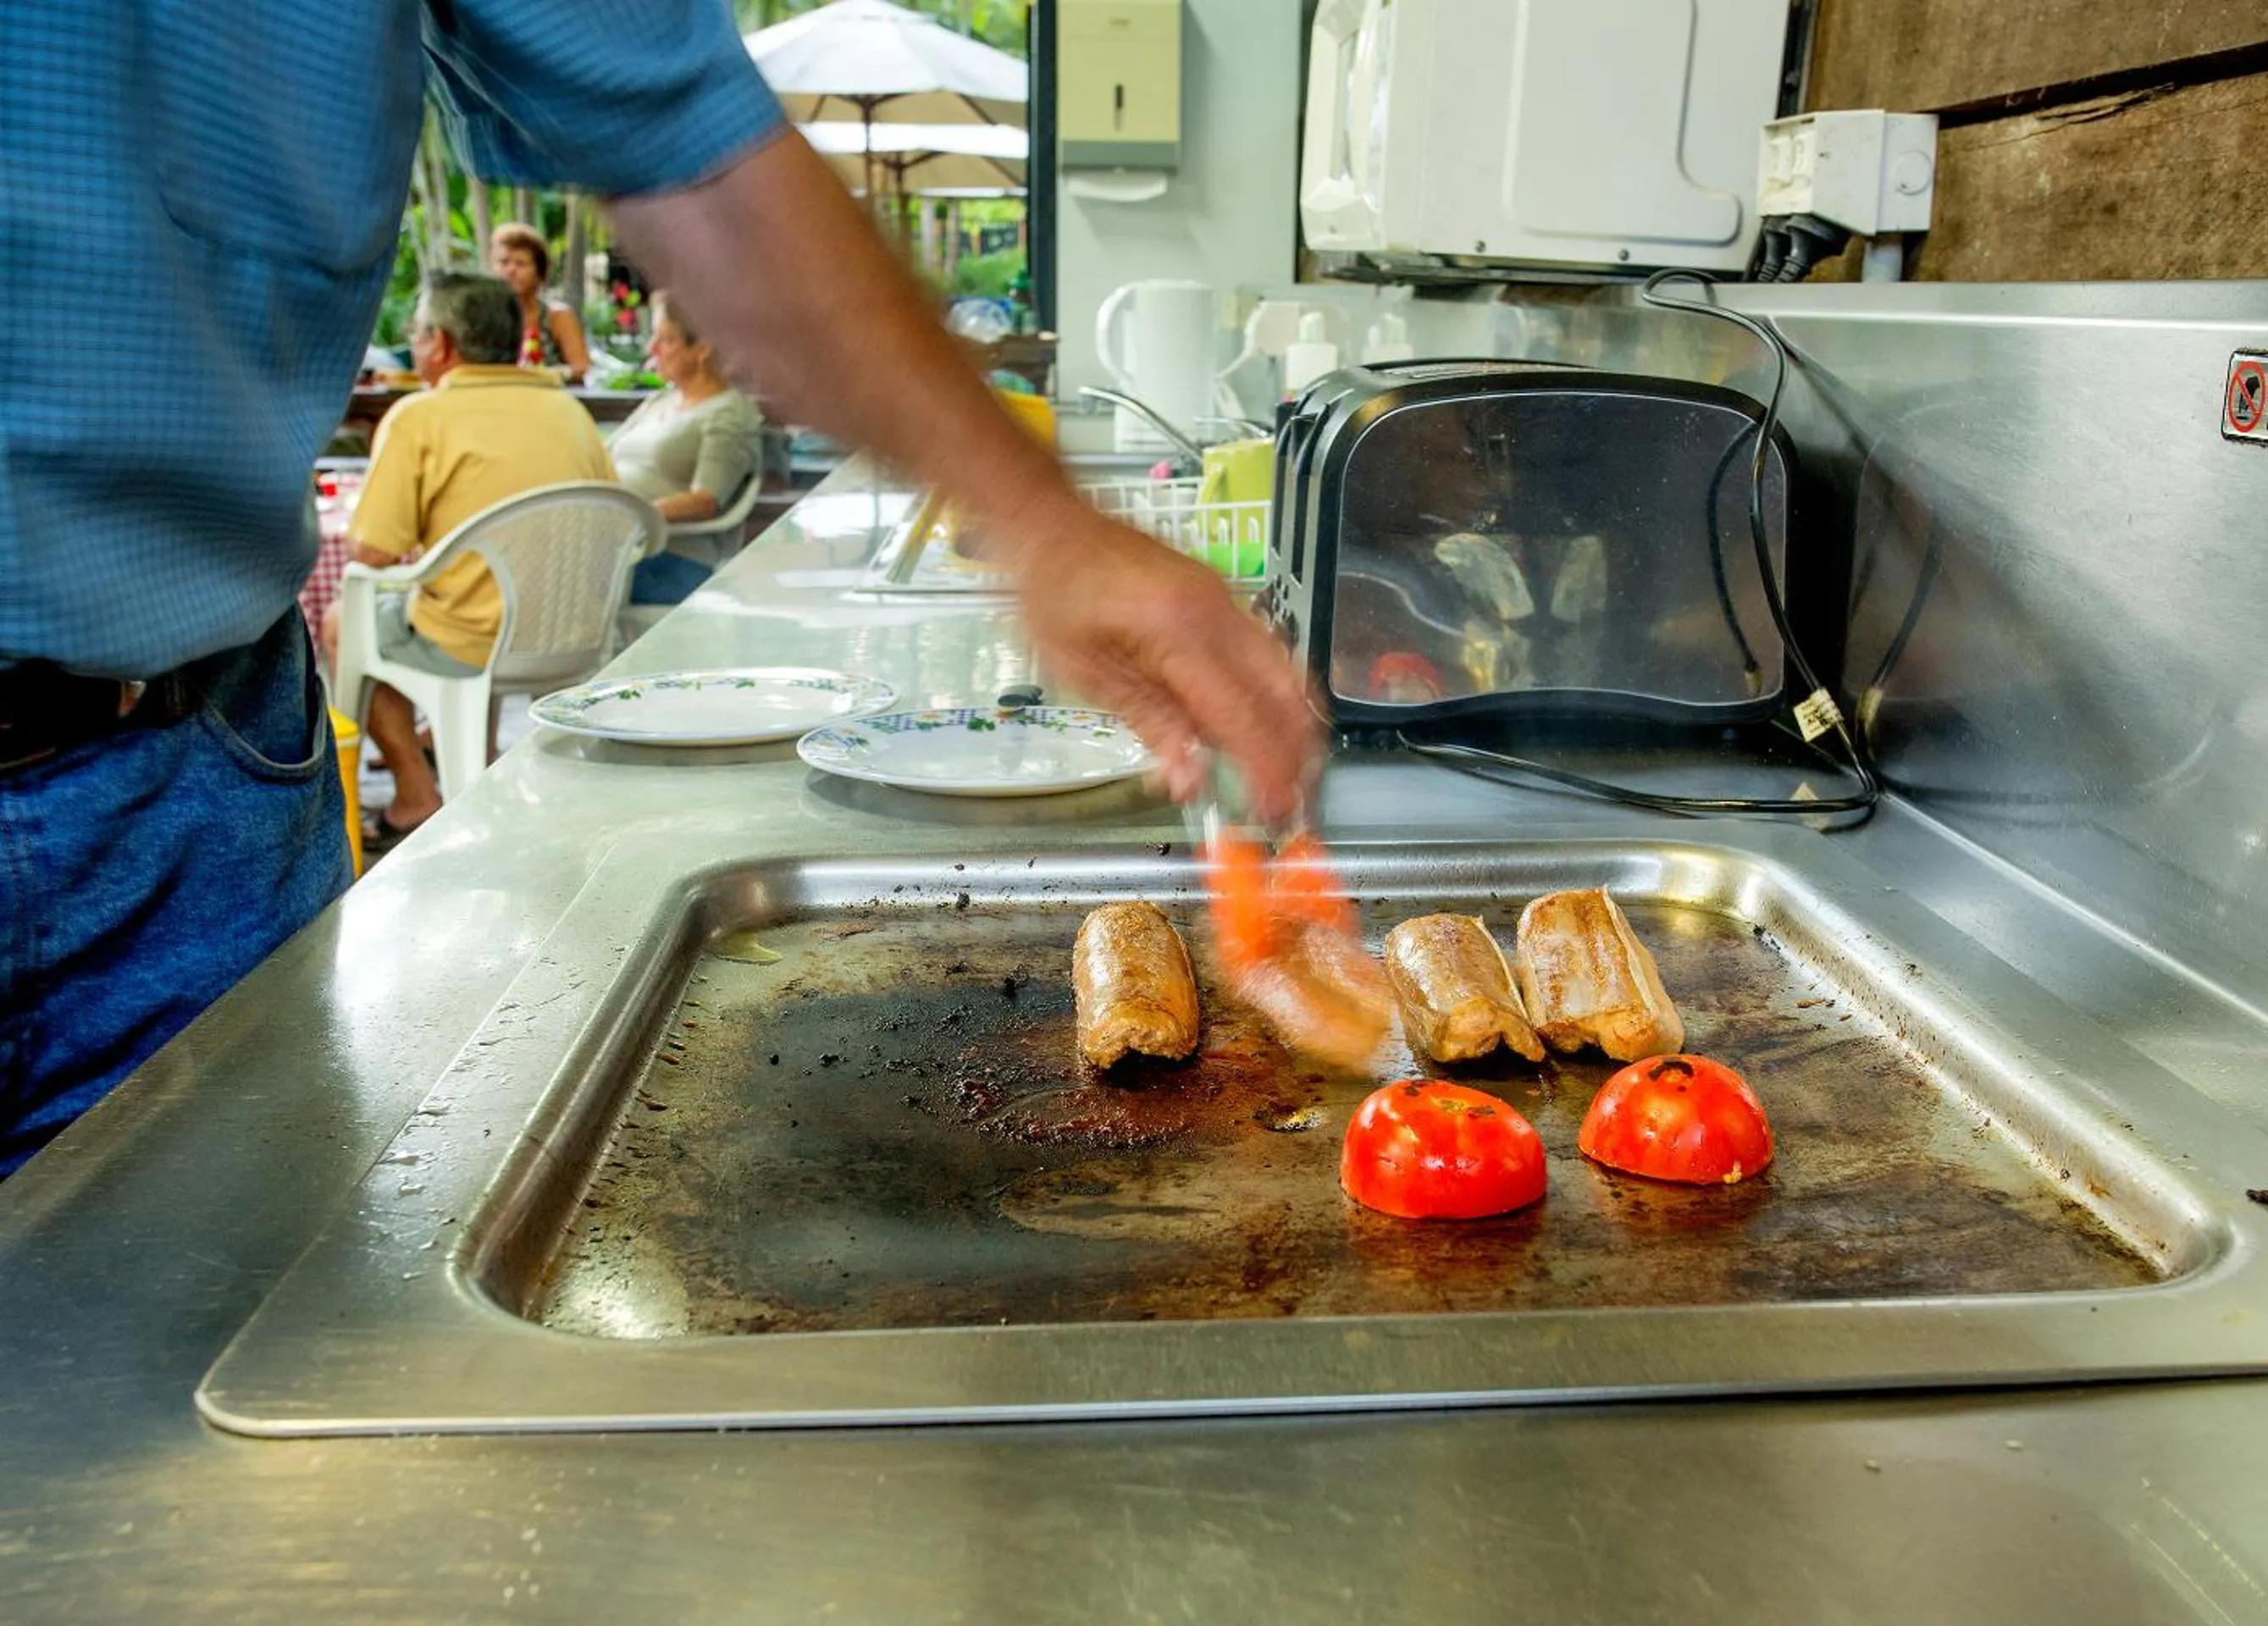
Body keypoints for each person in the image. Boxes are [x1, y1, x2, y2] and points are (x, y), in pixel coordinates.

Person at [0, 0, 1313, 1177]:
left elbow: (682, 126)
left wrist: (1049, 529)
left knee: (216, 1380)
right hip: (193, 758)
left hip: (180, 785)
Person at [324, 273, 617, 849]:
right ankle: (467, 760)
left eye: (417, 332)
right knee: (437, 603)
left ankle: (416, 796)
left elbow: (373, 550)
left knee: (345, 623)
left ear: (443, 343)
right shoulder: (569, 412)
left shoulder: (420, 416)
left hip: (472, 641)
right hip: (575, 635)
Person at [609, 291, 765, 605]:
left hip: (667, 556)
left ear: (703, 347)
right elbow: (602, 453)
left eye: (665, 340)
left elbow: (706, 500)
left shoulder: (728, 413)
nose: (651, 349)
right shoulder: (660, 401)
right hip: (615, 548)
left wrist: (631, 518)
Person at [490, 222, 592, 383]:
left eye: (520, 263)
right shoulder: (484, 317)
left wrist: (544, 374)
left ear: (539, 272)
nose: (511, 270)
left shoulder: (558, 316)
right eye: (504, 262)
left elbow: (582, 367)